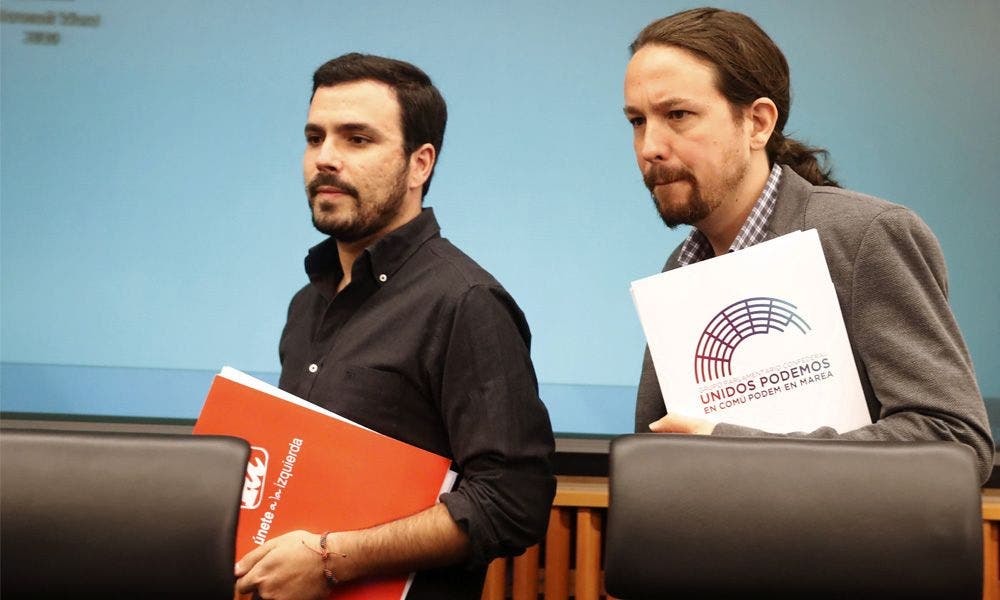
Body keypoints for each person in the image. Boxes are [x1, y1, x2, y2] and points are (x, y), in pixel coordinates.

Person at [234, 53, 556, 599]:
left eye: (357, 139)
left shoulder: (466, 301)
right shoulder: (305, 303)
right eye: (315, 138)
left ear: (419, 164)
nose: (325, 159)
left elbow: (511, 502)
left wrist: (332, 559)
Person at [626, 8, 993, 482]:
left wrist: (730, 446)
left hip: (840, 554)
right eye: (637, 120)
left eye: (678, 115)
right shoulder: (680, 269)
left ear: (757, 123)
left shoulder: (865, 235)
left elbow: (954, 441)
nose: (650, 145)